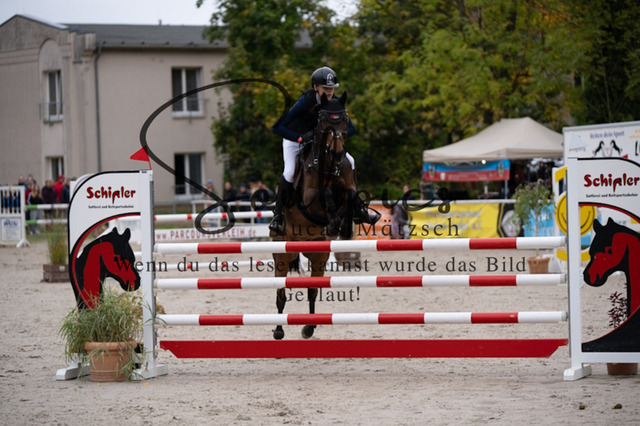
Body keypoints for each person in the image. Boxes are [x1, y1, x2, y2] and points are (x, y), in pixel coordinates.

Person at [269, 66, 380, 233]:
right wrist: (300, 138)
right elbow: (277, 127)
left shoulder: (335, 103)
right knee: (290, 171)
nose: (329, 92)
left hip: (321, 142)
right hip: (295, 139)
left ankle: (359, 208)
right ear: (315, 87)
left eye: (332, 88)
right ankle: (278, 214)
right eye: (325, 88)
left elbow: (351, 129)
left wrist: (337, 137)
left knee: (350, 161)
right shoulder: (305, 102)